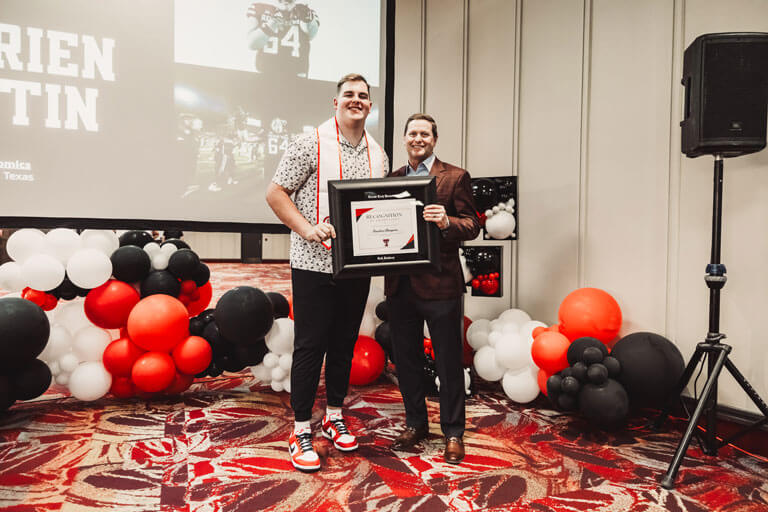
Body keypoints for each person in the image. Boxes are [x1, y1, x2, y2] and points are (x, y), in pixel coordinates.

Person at [266, 73, 389, 472]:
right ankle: (301, 427)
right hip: (312, 262)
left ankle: (334, 415)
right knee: (310, 345)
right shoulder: (309, 143)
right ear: (335, 102)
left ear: (370, 105)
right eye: (348, 94)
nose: (356, 100)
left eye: (363, 96)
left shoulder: (379, 155)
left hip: (356, 265)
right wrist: (307, 229)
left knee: (344, 343)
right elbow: (275, 193)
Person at [385, 113, 480, 465]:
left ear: (434, 139)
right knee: (406, 361)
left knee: (448, 362)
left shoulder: (455, 176)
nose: (418, 139)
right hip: (400, 286)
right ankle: (416, 424)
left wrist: (446, 221)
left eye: (425, 133)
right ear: (405, 138)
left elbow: (472, 226)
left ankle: (453, 432)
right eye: (412, 133)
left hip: (441, 285)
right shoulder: (390, 179)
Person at [246, 0, 319, 78]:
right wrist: (272, 24)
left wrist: (307, 19)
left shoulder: (304, 10)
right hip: (265, 73)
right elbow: (252, 44)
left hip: (297, 76)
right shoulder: (259, 8)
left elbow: (311, 35)